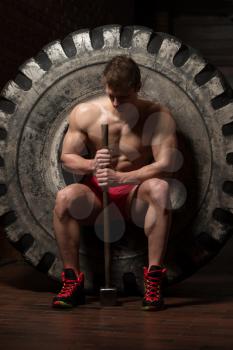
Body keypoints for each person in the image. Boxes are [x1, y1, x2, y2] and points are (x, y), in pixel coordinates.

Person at [52, 55, 177, 311]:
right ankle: (72, 281)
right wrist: (91, 164)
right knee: (65, 198)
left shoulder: (156, 115)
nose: (116, 103)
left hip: (134, 196)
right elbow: (67, 157)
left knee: (161, 189)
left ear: (137, 87)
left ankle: (153, 280)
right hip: (97, 196)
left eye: (124, 97)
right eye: (111, 95)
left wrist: (122, 177)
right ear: (104, 86)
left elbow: (165, 164)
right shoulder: (86, 113)